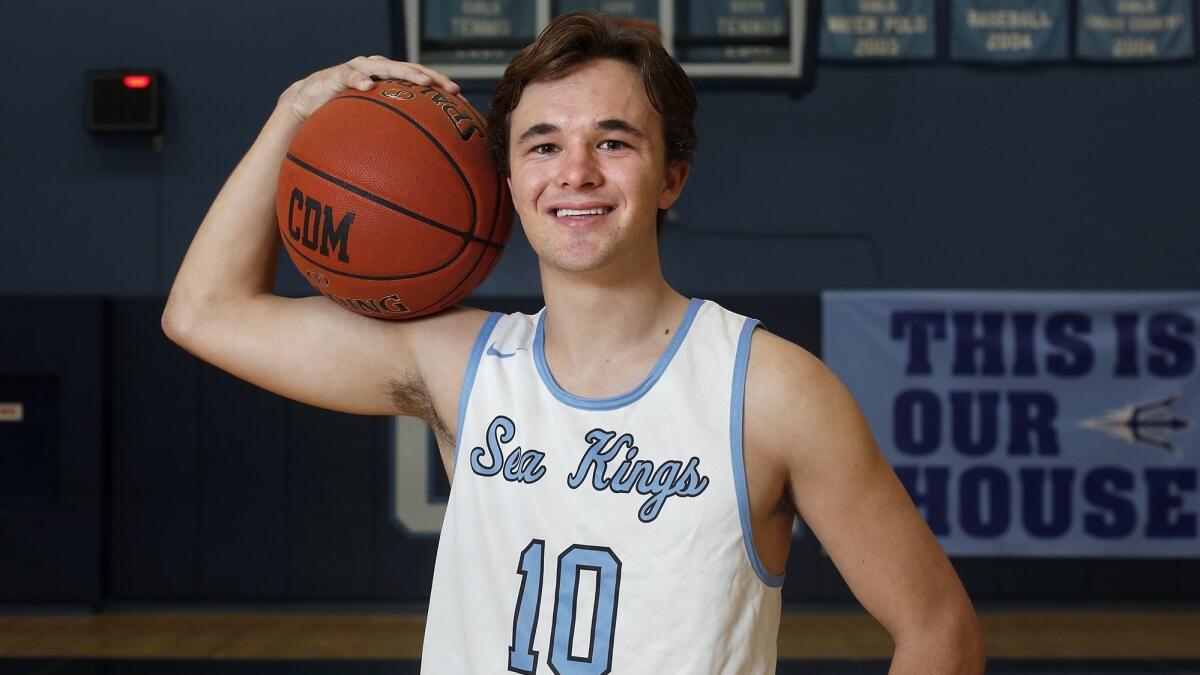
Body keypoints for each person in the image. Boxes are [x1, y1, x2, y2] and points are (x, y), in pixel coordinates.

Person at [163, 11, 985, 674]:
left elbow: (940, 630)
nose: (576, 171)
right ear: (511, 181)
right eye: (544, 144)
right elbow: (203, 311)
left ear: (672, 176)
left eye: (614, 141)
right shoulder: (460, 368)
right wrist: (296, 114)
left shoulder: (771, 390)